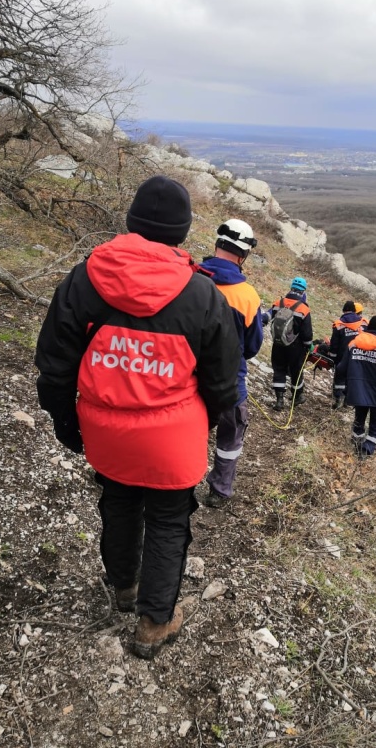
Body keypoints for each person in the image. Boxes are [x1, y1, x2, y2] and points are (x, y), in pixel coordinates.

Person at [35, 175, 240, 659]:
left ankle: (124, 589)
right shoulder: (203, 296)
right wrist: (200, 426)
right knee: (169, 521)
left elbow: (55, 365)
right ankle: (155, 623)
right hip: (173, 439)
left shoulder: (84, 279)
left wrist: (69, 424)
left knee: (119, 502)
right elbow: (222, 383)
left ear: (131, 222)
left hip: (106, 433)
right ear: (182, 231)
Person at [199, 219, 264, 508]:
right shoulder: (248, 297)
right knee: (230, 434)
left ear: (217, 244)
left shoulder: (192, 278)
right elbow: (251, 347)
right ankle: (220, 489)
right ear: (244, 255)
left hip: (184, 375)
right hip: (228, 382)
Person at [334, 315, 376, 458]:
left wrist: (344, 387)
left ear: (369, 327)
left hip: (357, 391)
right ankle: (366, 450)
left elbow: (341, 368)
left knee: (359, 419)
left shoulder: (354, 343)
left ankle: (357, 441)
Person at [262, 276, 313, 410]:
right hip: (296, 347)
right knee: (296, 371)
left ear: (291, 288)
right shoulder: (304, 309)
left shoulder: (279, 302)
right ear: (303, 292)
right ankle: (297, 397)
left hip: (278, 343)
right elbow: (307, 333)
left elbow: (268, 316)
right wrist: (308, 346)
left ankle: (279, 401)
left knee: (279, 369)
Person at [330, 301, 368, 409]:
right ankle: (348, 400)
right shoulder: (364, 323)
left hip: (342, 356)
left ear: (344, 310)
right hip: (359, 355)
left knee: (339, 378)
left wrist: (332, 357)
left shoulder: (339, 324)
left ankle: (338, 398)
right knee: (352, 378)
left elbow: (334, 344)